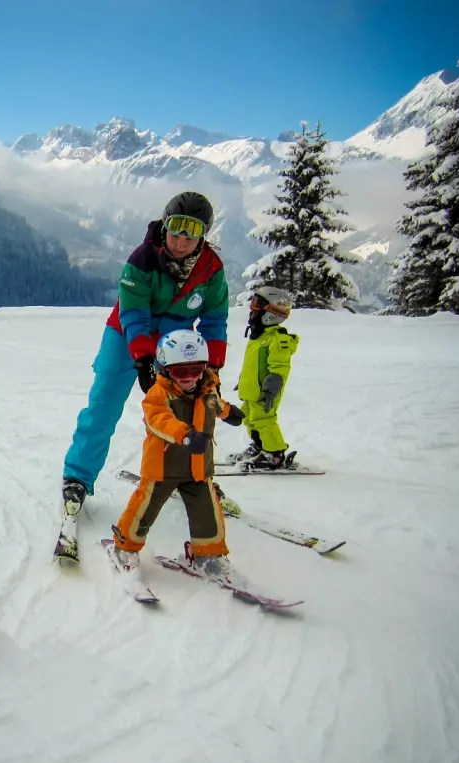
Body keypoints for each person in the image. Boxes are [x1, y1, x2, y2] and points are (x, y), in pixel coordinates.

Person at [62, 191, 229, 512]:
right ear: (164, 226)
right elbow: (134, 312)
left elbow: (214, 319)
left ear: (204, 237)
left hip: (177, 342)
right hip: (125, 335)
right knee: (104, 407)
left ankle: (186, 476)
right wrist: (142, 359)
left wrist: (212, 369)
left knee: (186, 413)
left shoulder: (211, 269)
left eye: (191, 233)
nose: (181, 241)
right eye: (176, 230)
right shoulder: (143, 260)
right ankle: (78, 476)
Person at [109, 330, 245, 581]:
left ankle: (208, 555)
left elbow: (215, 404)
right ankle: (124, 547)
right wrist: (185, 435)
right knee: (144, 509)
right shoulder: (158, 395)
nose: (190, 377)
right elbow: (159, 421)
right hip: (163, 467)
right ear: (164, 367)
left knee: (207, 512)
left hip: (197, 468)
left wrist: (229, 412)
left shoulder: (207, 389)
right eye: (182, 372)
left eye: (197, 369)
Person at [225, 287, 299, 469]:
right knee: (250, 418)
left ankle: (275, 454)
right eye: (253, 303)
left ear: (273, 311)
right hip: (252, 390)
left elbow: (279, 367)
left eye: (258, 304)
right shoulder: (259, 336)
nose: (252, 308)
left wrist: (271, 389)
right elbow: (252, 364)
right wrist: (243, 381)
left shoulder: (278, 339)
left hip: (265, 392)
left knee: (265, 420)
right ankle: (260, 447)